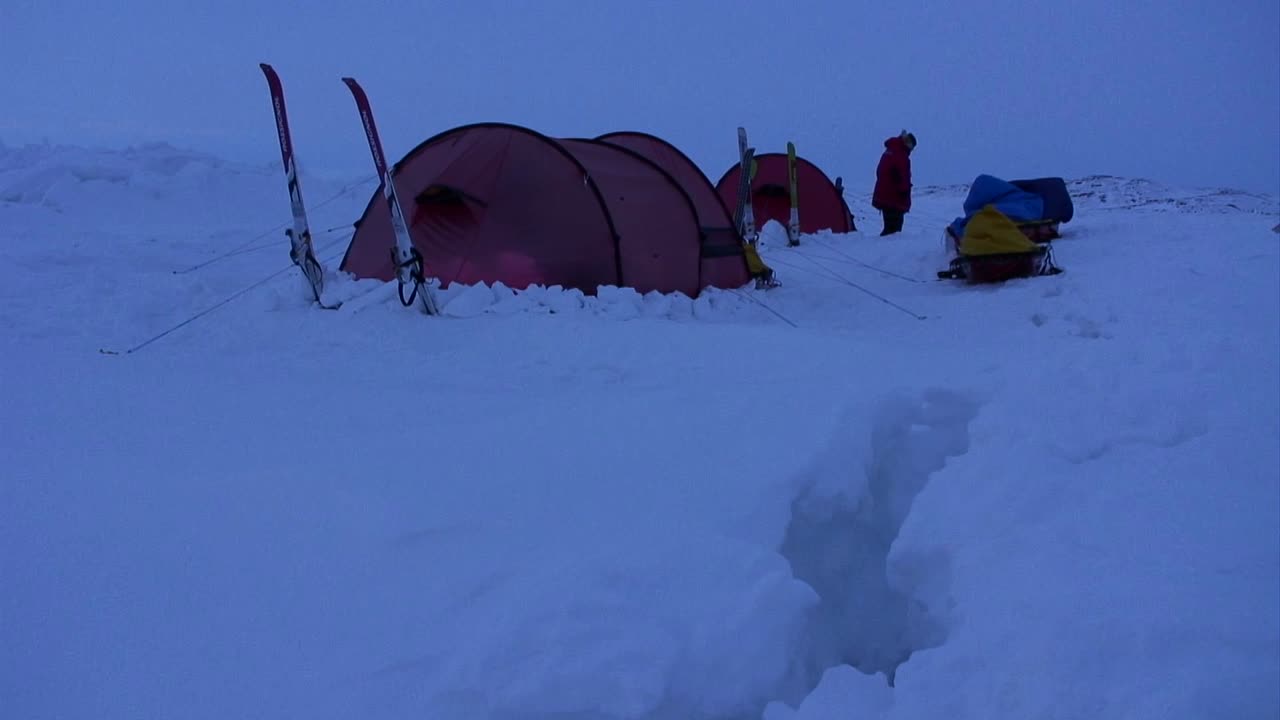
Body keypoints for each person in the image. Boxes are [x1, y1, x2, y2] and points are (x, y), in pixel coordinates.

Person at [872, 130, 916, 236]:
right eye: (912, 146)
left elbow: (879, 171)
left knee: (888, 228)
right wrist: (904, 192)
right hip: (894, 198)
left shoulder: (889, 151)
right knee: (894, 231)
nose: (912, 149)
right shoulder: (901, 156)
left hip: (883, 195)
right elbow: (904, 177)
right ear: (908, 143)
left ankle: (880, 249)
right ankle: (885, 251)